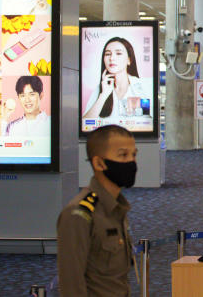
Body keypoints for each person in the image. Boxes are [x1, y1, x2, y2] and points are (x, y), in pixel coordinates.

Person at [57, 125, 137, 297]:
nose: (131, 162)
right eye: (123, 155)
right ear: (99, 163)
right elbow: (71, 284)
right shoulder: (79, 214)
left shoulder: (117, 208)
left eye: (133, 155)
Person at [83, 37, 149, 120]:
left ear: (129, 60)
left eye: (118, 53)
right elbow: (85, 124)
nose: (111, 58)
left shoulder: (143, 86)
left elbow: (149, 121)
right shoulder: (100, 90)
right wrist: (103, 95)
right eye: (107, 54)